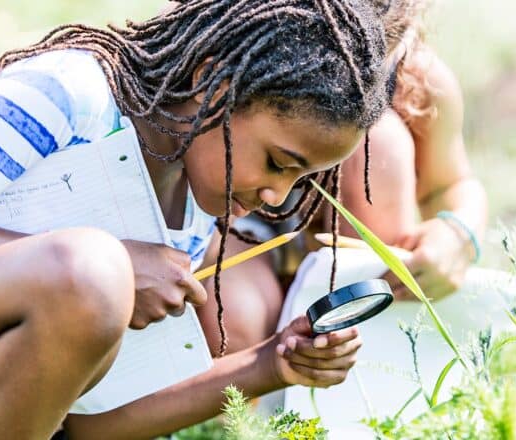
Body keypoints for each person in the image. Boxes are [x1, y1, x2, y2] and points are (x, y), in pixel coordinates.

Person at [0, 1, 391, 438]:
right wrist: (112, 268)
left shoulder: (193, 212)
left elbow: (86, 424)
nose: (275, 195)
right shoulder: (74, 93)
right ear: (213, 86)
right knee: (90, 269)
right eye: (278, 163)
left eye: (301, 180)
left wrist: (272, 363)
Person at [197, 0, 488, 355]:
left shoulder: (417, 78)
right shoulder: (238, 35)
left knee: (380, 145)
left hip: (347, 238)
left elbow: (452, 184)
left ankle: (364, 351)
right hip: (239, 223)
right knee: (233, 319)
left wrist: (457, 235)